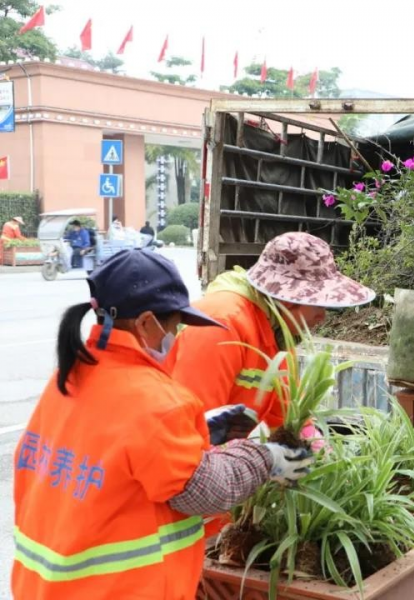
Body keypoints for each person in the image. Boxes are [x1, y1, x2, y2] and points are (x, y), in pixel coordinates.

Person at [12, 249, 311, 599]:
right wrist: (266, 458)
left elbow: (114, 450)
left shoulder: (71, 375)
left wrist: (197, 429)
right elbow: (203, 492)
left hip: (45, 585)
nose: (177, 334)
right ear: (146, 323)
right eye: (174, 325)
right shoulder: (155, 399)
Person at [166, 232, 375, 429]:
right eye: (317, 303)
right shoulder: (221, 323)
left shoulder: (279, 332)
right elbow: (193, 425)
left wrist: (306, 436)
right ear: (287, 298)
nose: (322, 316)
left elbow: (282, 414)